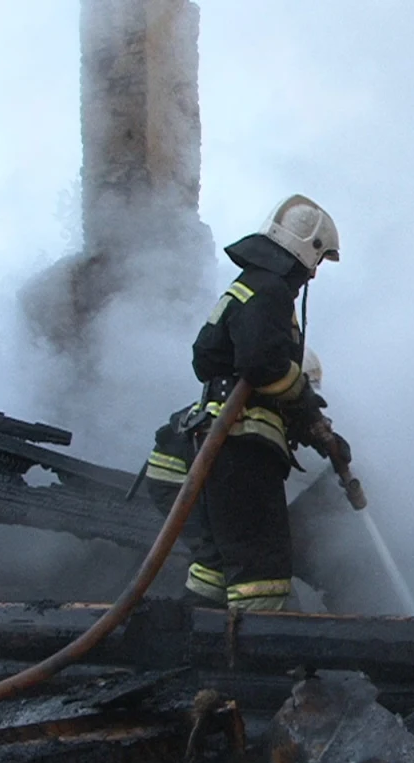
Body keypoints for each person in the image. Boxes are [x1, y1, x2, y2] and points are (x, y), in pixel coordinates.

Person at [146, 195, 349, 612]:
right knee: (263, 578)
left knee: (219, 571)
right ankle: (258, 671)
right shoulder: (270, 290)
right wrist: (306, 402)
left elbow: (212, 360)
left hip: (219, 449)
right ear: (305, 249)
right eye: (318, 261)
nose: (313, 274)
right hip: (242, 453)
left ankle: (194, 653)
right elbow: (262, 365)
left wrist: (318, 431)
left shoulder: (249, 289)